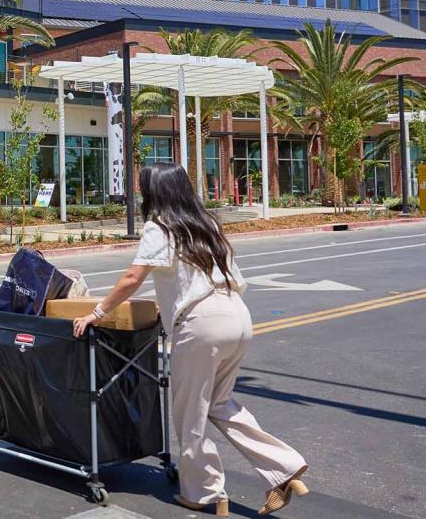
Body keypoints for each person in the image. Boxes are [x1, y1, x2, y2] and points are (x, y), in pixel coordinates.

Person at [72, 163, 308, 517]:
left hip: (201, 323)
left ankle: (205, 493)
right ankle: (285, 467)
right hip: (236, 315)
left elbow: (133, 276)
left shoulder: (160, 226)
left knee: (189, 415)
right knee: (219, 404)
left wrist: (98, 312)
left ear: (156, 191)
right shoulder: (207, 222)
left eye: (144, 187)